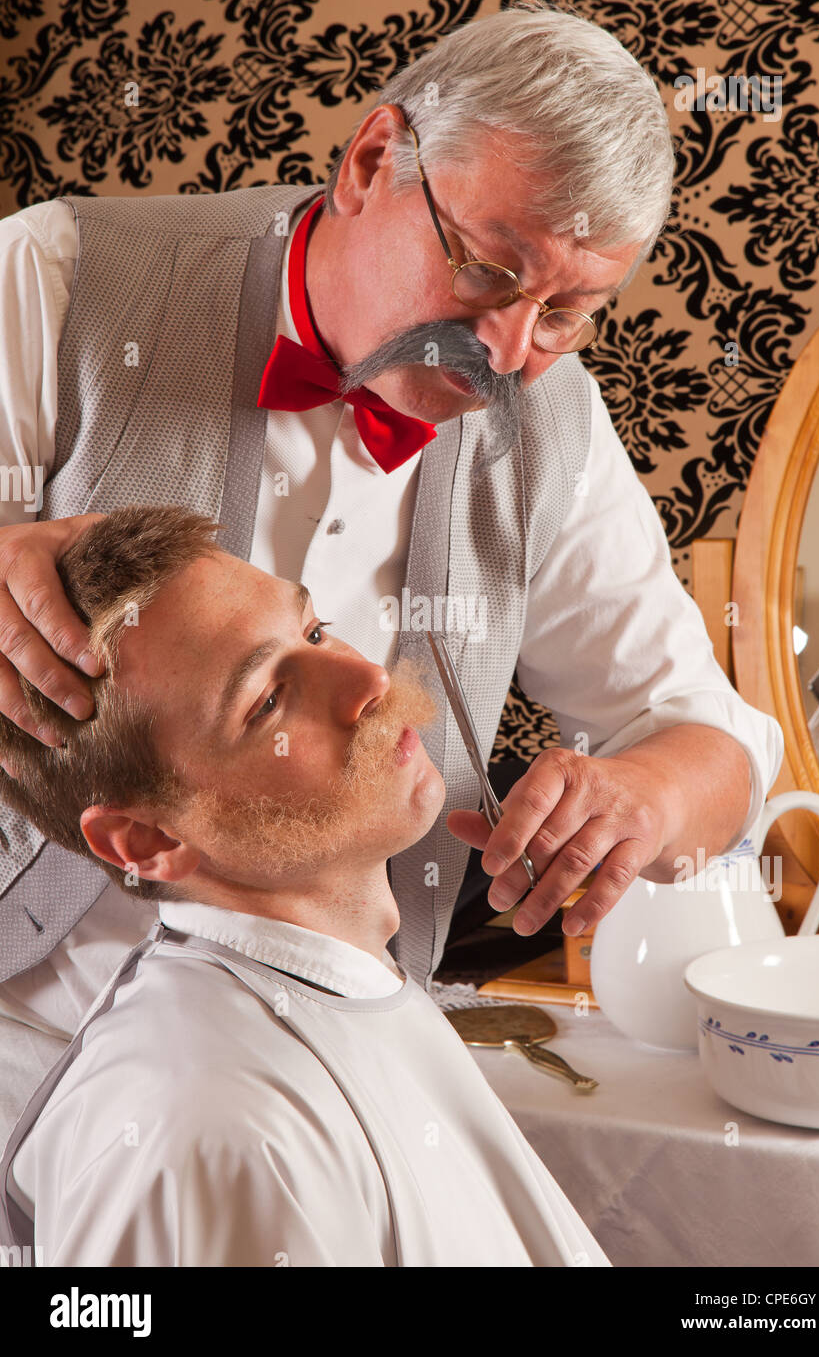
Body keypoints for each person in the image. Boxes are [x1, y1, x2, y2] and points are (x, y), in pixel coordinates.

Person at [0, 0, 784, 1017]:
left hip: (340, 1042)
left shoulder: (551, 426)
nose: (504, 352)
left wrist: (650, 795)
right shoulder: (55, 279)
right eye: (484, 268)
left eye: (565, 311)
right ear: (372, 161)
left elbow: (707, 735)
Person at [0, 504, 610, 1267]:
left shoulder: (346, 983)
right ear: (149, 841)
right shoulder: (214, 1138)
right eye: (267, 701)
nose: (368, 679)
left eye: (315, 631)